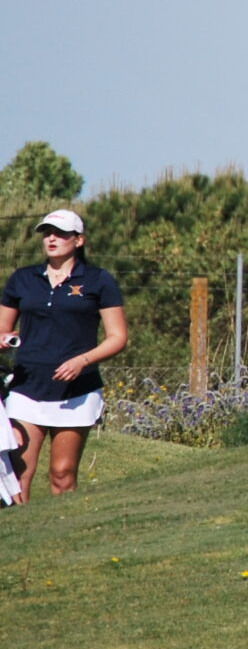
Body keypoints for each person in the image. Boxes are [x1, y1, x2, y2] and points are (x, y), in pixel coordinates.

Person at [0, 210, 128, 498]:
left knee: (62, 473)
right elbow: (2, 327)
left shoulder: (98, 280)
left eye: (60, 233)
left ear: (79, 240)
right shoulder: (23, 279)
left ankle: (63, 524)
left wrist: (83, 361)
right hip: (26, 387)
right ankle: (21, 527)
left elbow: (118, 337)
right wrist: (4, 338)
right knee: (18, 474)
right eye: (47, 233)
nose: (52, 239)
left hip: (77, 390)